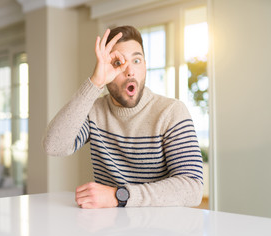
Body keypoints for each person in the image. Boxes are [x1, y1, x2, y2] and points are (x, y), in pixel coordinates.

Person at [43, 26, 203, 209]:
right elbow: (54, 146)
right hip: (110, 227)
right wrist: (95, 82)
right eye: (118, 63)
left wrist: (119, 196)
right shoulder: (95, 111)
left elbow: (193, 188)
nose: (130, 71)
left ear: (145, 66)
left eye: (137, 60)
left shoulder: (171, 112)